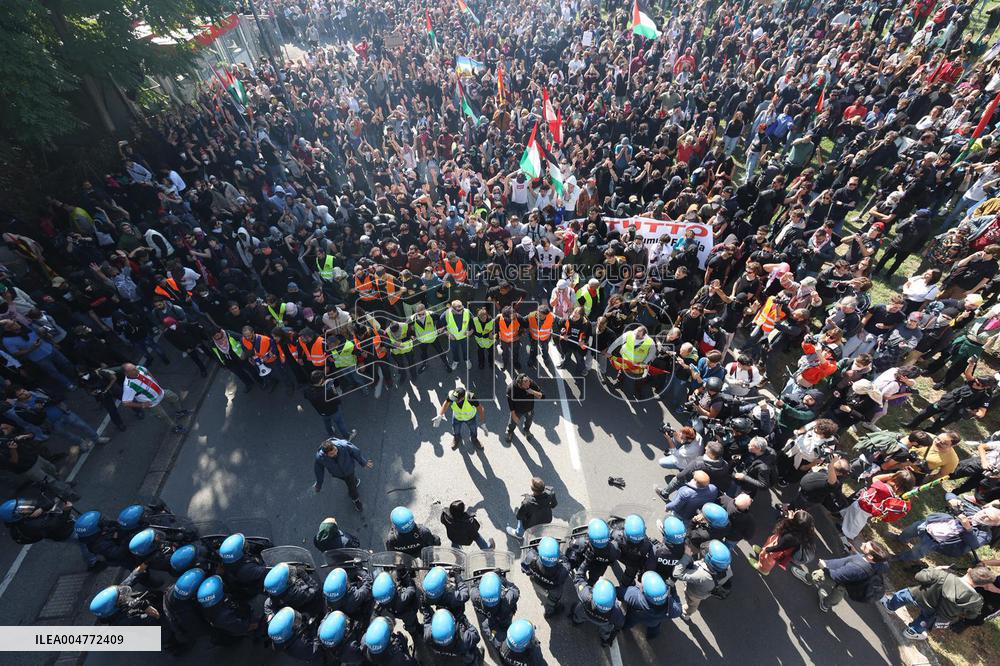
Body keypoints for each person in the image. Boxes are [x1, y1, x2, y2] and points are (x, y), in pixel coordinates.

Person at [881, 566, 992, 640]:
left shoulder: (944, 575)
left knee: (903, 596)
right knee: (925, 621)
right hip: (937, 612)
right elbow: (971, 615)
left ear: (969, 570)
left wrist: (935, 568)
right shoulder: (977, 601)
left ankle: (890, 606)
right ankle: (912, 632)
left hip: (919, 596)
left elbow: (919, 576)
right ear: (983, 585)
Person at [807, 541, 890, 612]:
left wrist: (824, 567)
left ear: (870, 556)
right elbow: (865, 560)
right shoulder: (879, 563)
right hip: (854, 586)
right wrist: (855, 553)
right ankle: (825, 604)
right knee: (840, 590)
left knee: (819, 575)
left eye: (865, 546)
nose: (863, 543)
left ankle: (808, 579)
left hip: (846, 579)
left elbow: (836, 576)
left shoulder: (857, 568)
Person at [839, 471, 916, 541]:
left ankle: (847, 535)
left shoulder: (884, 488)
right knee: (853, 520)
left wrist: (890, 475)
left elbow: (875, 478)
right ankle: (844, 526)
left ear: (894, 479)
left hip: (862, 507)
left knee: (854, 522)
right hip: (866, 509)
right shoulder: (895, 498)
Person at [119, 363, 189, 434]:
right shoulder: (129, 386)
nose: (136, 369)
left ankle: (179, 412)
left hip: (161, 392)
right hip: (152, 404)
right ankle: (175, 428)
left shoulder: (139, 368)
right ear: (126, 373)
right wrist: (142, 405)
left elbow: (147, 371)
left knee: (174, 397)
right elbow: (126, 403)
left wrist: (154, 380)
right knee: (163, 416)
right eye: (133, 370)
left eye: (135, 367)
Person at [748, 508, 817, 580]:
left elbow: (778, 547)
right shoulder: (804, 531)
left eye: (797, 513)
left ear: (795, 523)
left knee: (767, 559)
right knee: (767, 547)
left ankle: (763, 569)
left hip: (777, 548)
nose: (799, 509)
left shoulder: (791, 537)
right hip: (780, 543)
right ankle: (762, 552)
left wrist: (767, 550)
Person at [312, 438, 374, 512]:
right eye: (331, 454)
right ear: (326, 454)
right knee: (350, 481)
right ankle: (355, 481)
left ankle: (356, 500)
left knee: (352, 488)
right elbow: (319, 471)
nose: (335, 453)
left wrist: (364, 463)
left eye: (335, 450)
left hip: (349, 470)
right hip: (338, 474)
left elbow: (356, 452)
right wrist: (319, 485)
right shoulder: (320, 458)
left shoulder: (343, 445)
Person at [520, 536, 570, 618]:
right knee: (553, 601)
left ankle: (549, 611)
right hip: (553, 589)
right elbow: (565, 560)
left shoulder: (531, 557)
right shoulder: (563, 571)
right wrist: (556, 552)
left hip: (537, 581)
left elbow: (524, 569)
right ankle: (549, 611)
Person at [570, 576, 624, 647]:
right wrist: (612, 637)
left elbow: (578, 580)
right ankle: (605, 640)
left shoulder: (586, 596)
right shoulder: (616, 612)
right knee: (607, 629)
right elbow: (619, 625)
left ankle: (576, 621)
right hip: (603, 622)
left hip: (586, 613)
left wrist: (584, 565)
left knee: (578, 610)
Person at [470, 572, 519, 649]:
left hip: (489, 621)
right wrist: (502, 580)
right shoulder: (508, 600)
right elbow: (515, 590)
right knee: (505, 627)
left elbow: (473, 587)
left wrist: (481, 581)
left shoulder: (475, 597)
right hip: (504, 619)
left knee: (490, 630)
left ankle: (496, 642)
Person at [303, 371, 356, 440]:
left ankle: (331, 433)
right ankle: (347, 436)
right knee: (340, 423)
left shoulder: (307, 390)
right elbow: (338, 401)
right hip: (333, 411)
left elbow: (306, 396)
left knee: (327, 422)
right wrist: (332, 387)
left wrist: (323, 386)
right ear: (321, 380)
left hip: (321, 411)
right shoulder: (327, 391)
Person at [436, 386, 486, 450]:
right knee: (456, 430)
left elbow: (480, 408)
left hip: (470, 418)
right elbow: (446, 403)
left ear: (462, 398)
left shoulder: (470, 397)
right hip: (457, 417)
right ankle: (456, 439)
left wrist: (482, 420)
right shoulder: (453, 395)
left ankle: (474, 440)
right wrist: (440, 414)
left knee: (473, 430)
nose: (452, 400)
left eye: (455, 400)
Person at [506, 373, 543, 444]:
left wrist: (533, 392)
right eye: (525, 385)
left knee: (528, 421)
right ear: (520, 385)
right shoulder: (511, 388)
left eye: (528, 384)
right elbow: (510, 402)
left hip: (529, 409)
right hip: (517, 410)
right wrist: (513, 413)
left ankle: (526, 430)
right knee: (512, 423)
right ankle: (510, 432)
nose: (528, 386)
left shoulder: (530, 383)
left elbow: (541, 395)